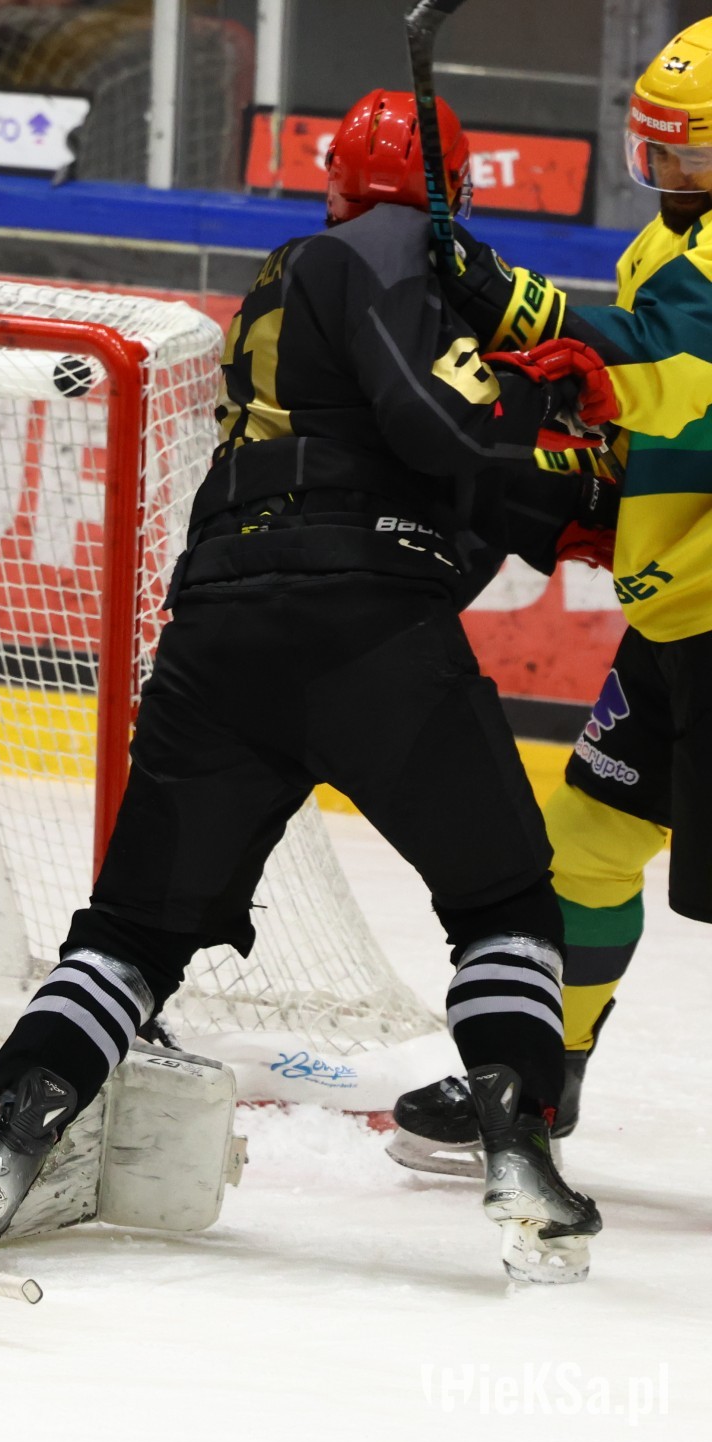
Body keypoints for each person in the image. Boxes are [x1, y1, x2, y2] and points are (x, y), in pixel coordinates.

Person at [0, 90, 618, 1284]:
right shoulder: (392, 247)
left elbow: (427, 448)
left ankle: (15, 1133)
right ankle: (518, 1149)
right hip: (364, 625)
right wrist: (551, 416)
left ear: (338, 177)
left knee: (132, 931)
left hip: (221, 633)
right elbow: (443, 428)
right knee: (506, 899)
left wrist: (543, 450)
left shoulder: (291, 278)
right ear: (451, 192)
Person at [388, 18, 712, 1169]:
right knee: (585, 844)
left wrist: (527, 310)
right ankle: (539, 1083)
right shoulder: (675, 239)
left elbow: (677, 364)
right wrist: (601, 493)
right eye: (657, 149)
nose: (668, 174)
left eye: (693, 153)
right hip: (681, 610)